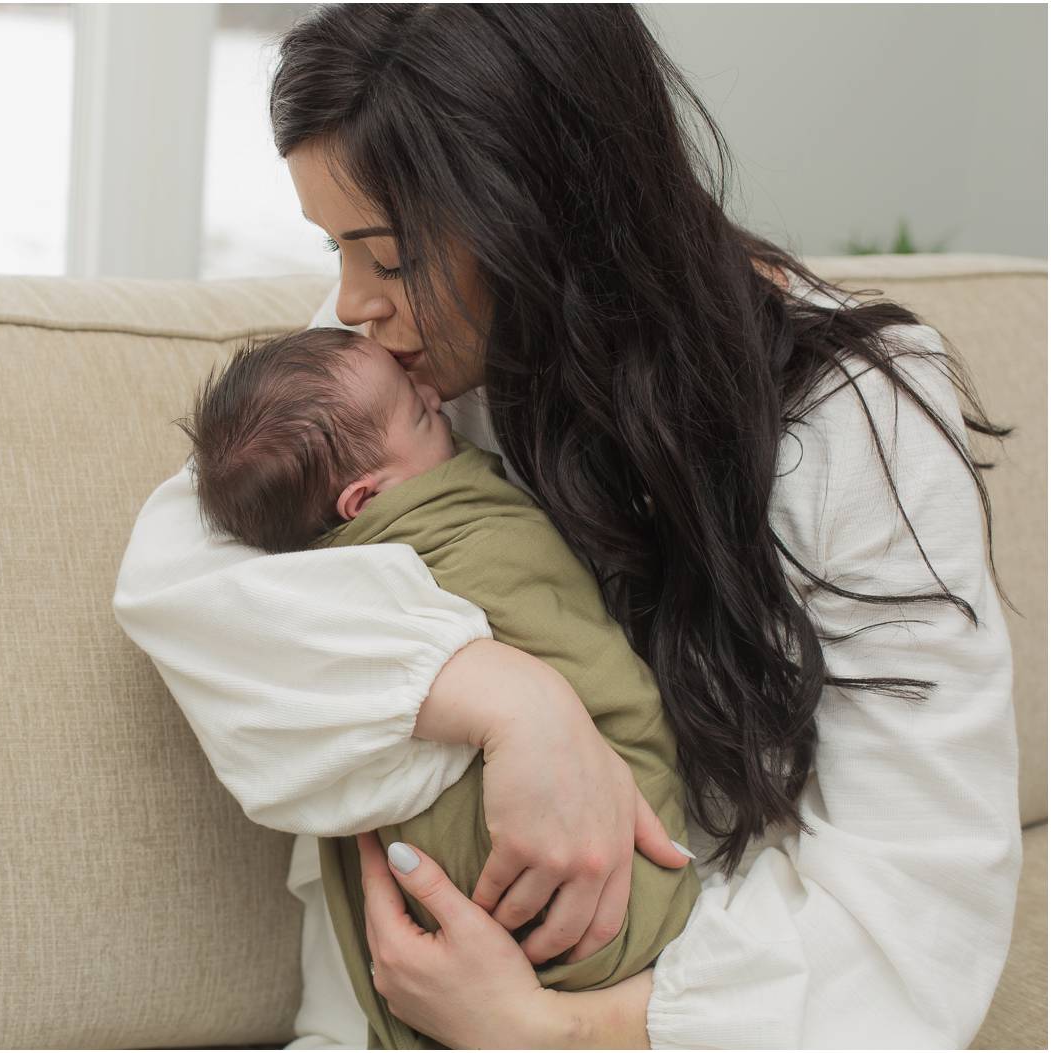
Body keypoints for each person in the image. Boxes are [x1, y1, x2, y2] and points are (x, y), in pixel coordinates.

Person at [113, 4, 1020, 1047]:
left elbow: (919, 888)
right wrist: (509, 700)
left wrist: (549, 1030)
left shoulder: (849, 414)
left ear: (537, 217)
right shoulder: (411, 372)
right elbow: (177, 573)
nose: (349, 303)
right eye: (336, 251)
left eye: (389, 256)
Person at [170, 325, 700, 1047]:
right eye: (418, 414)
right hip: (578, 912)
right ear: (366, 499)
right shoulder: (396, 555)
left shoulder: (376, 448)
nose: (432, 393)